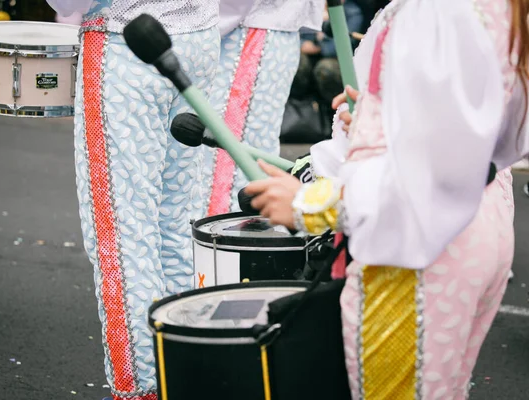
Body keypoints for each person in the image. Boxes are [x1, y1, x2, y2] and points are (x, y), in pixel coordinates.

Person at [245, 0, 524, 397]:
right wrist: (377, 118)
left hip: (419, 256)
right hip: (481, 223)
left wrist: (308, 203)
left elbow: (429, 175)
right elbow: (477, 130)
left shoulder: (435, 11)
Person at [45, 1, 220, 399]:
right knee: (176, 223)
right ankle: (184, 377)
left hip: (128, 41)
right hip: (199, 35)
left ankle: (141, 388)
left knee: (122, 233)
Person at [203, 0, 325, 216]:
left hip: (249, 26)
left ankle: (232, 241)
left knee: (228, 159)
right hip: (258, 25)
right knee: (240, 154)